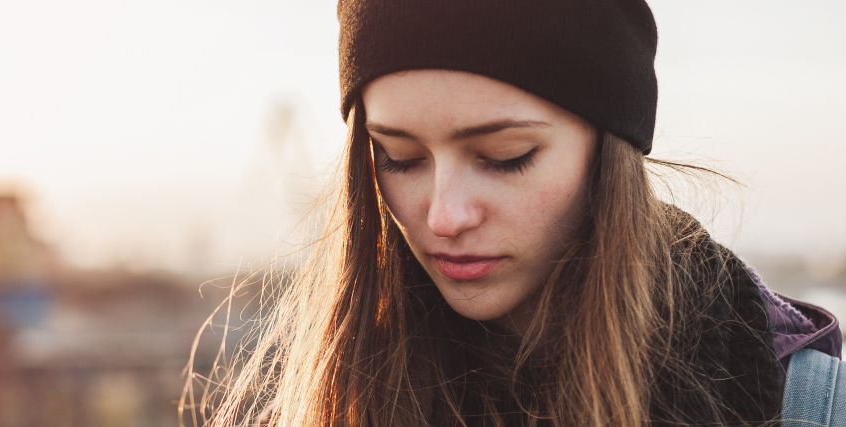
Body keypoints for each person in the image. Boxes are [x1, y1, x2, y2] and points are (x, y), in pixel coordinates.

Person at [198, 0, 842, 426]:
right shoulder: (320, 398)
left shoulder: (809, 406)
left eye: (506, 157)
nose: (443, 216)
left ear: (608, 151)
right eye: (397, 158)